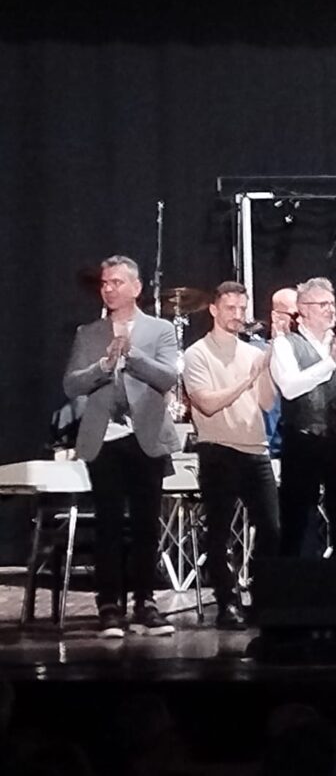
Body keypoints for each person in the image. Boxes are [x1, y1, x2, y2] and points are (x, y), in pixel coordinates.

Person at [63, 255, 181, 637]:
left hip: (146, 436)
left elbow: (167, 377)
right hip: (105, 438)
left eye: (117, 282)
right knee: (109, 524)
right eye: (105, 283)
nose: (109, 289)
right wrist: (103, 365)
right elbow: (71, 384)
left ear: (136, 287)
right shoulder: (88, 333)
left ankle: (146, 602)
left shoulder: (160, 330)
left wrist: (132, 354)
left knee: (146, 523)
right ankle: (109, 605)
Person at [182, 281, 280, 629]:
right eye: (230, 309)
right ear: (214, 310)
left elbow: (266, 403)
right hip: (218, 449)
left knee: (271, 528)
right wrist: (247, 379)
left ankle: (264, 597)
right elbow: (206, 403)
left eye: (242, 309)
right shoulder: (197, 354)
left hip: (255, 448)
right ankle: (227, 601)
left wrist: (265, 370)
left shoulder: (252, 353)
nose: (238, 315)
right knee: (219, 530)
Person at [269, 277, 336, 557]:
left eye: (332, 304)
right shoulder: (286, 344)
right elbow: (290, 387)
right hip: (302, 439)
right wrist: (331, 362)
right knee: (296, 515)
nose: (330, 310)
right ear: (303, 309)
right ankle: (294, 577)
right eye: (322, 304)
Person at [259, 287, 298, 459]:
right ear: (276, 316)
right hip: (270, 448)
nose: (300, 321)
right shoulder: (260, 352)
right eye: (295, 315)